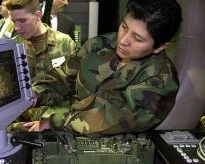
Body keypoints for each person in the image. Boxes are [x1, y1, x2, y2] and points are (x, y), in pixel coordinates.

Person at [23, 0, 182, 137]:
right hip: (66, 123)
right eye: (124, 27)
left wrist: (54, 122)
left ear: (159, 47)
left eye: (137, 38)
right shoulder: (100, 44)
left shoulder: (159, 81)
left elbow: (111, 119)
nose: (123, 40)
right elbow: (65, 76)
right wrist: (36, 94)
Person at [5, 0, 77, 122]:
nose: (17, 27)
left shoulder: (65, 43)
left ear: (38, 16)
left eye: (22, 20)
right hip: (21, 121)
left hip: (54, 120)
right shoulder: (12, 47)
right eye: (14, 21)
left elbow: (73, 86)